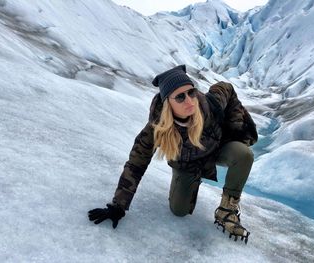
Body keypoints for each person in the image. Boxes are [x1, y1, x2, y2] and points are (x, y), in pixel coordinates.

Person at [88, 65, 258, 243]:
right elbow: (136, 163)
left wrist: (236, 126)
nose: (189, 101)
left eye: (191, 92)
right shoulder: (157, 128)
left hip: (215, 150)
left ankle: (227, 210)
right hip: (187, 164)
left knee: (243, 154)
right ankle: (190, 181)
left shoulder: (209, 105)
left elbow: (226, 87)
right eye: (180, 97)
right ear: (168, 102)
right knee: (179, 211)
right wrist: (118, 206)